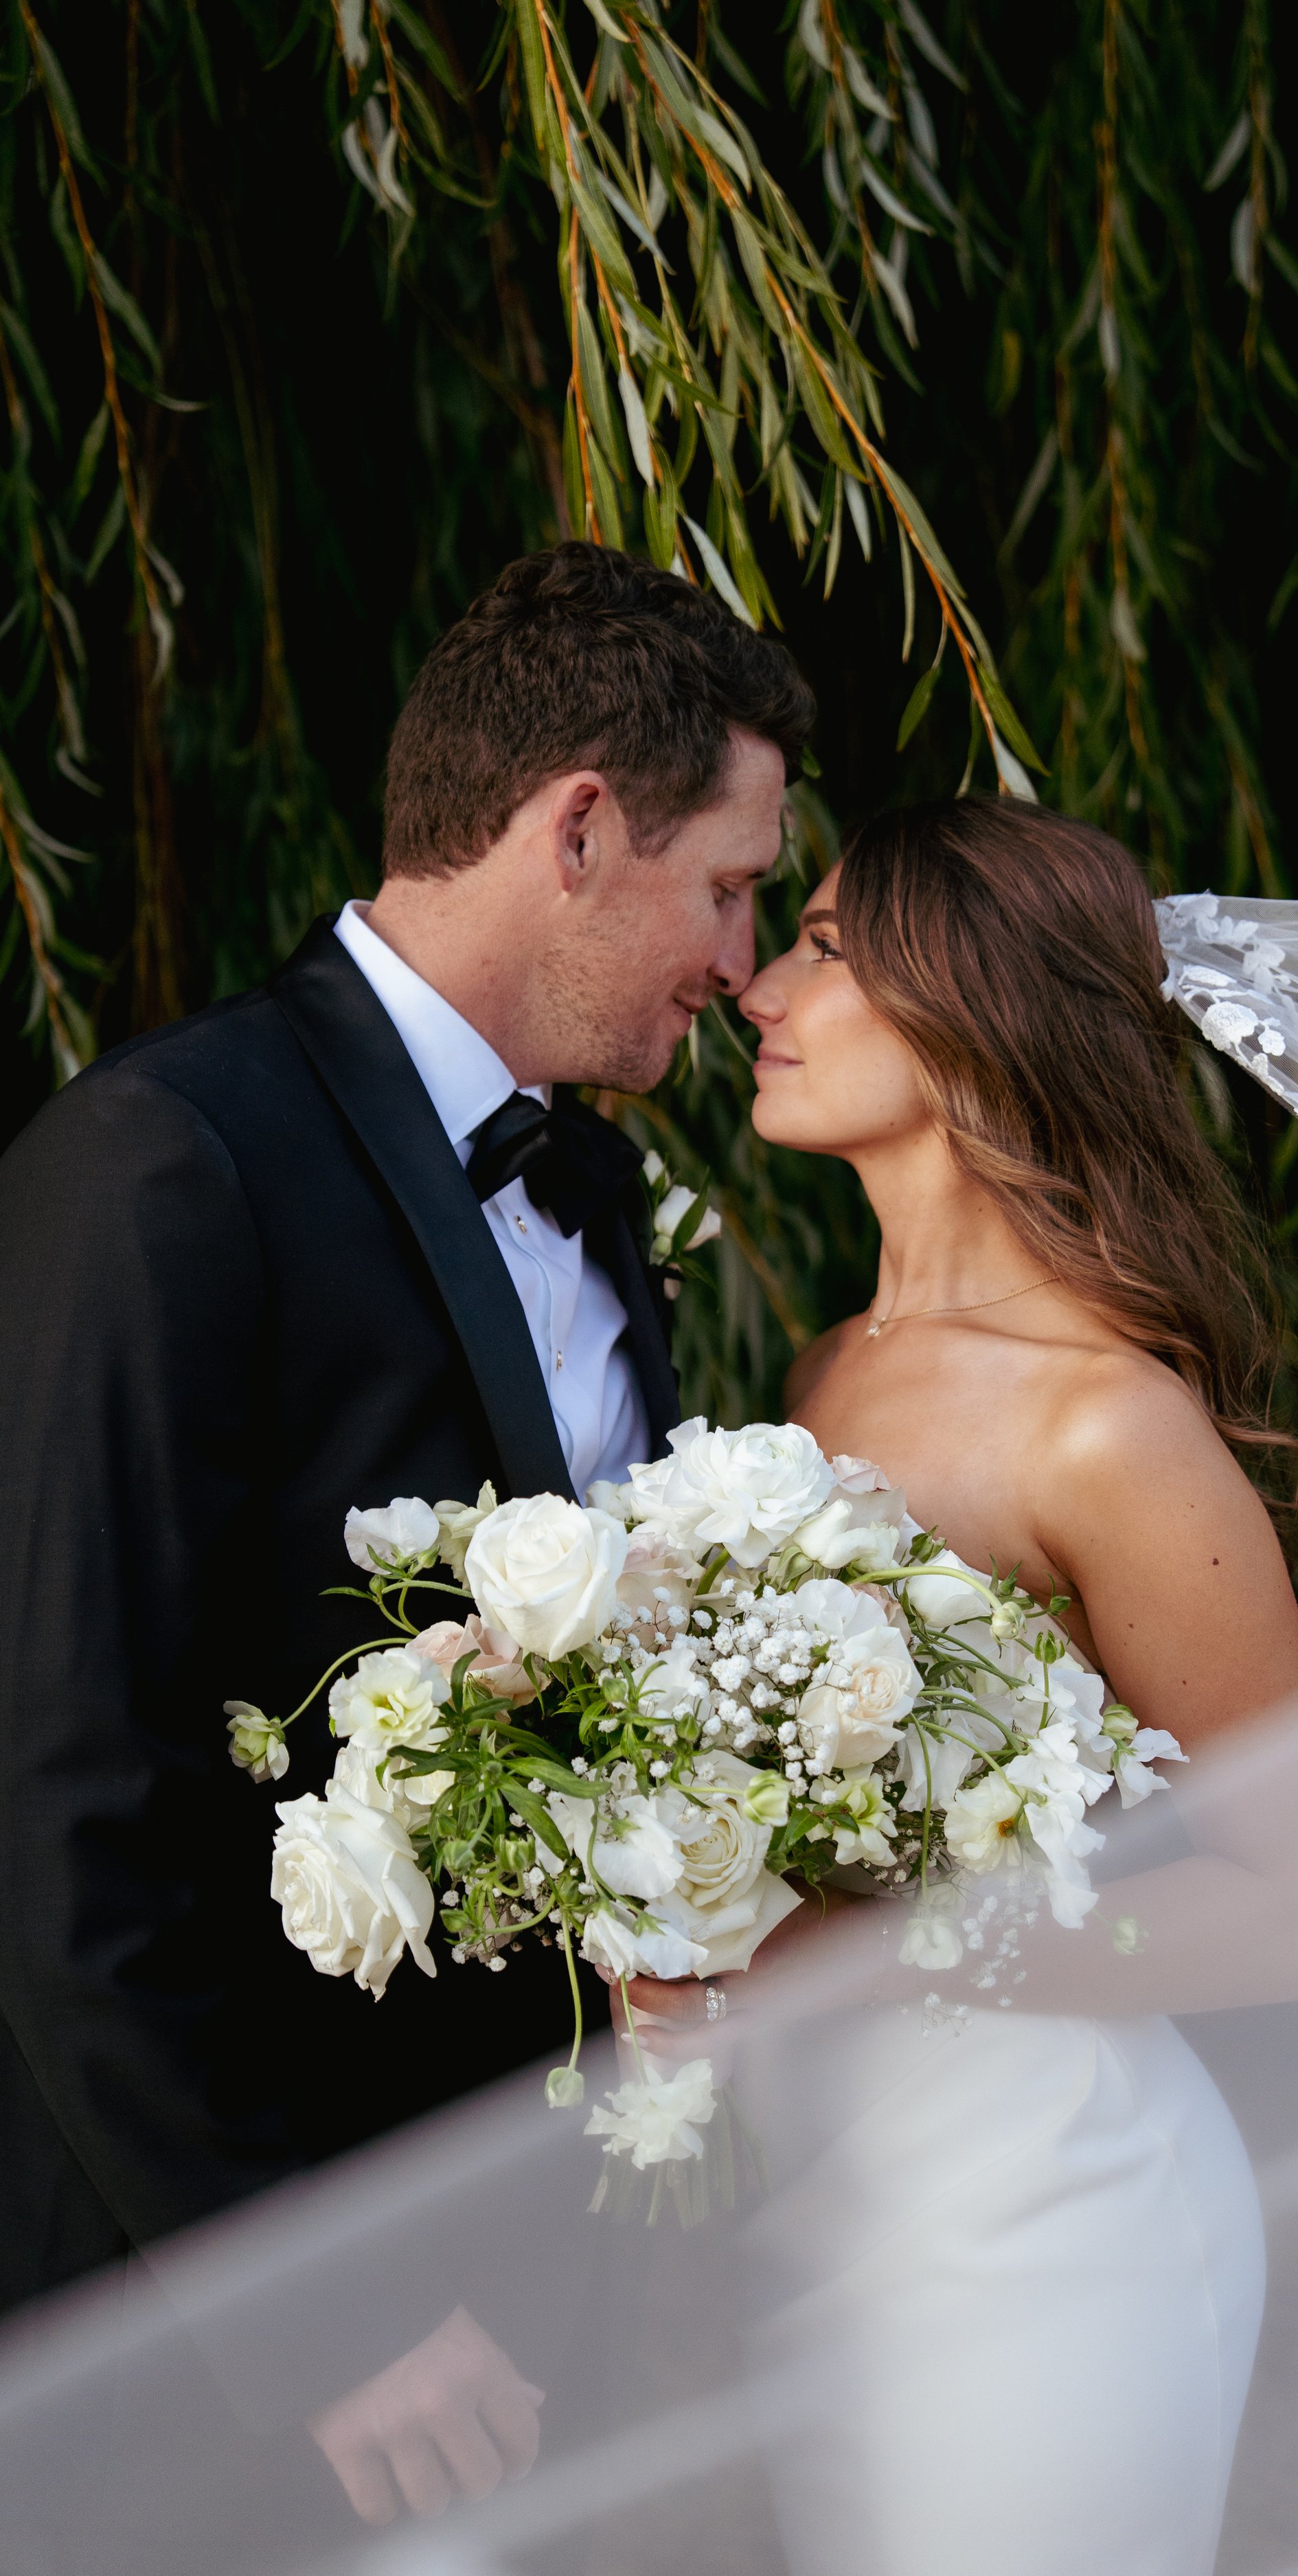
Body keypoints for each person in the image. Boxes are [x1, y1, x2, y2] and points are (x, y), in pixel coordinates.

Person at [0, 539, 812, 2345]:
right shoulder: (168, 1162)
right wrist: (318, 2329)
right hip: (211, 2321)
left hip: (525, 2254)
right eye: (733, 890)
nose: (743, 966)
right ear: (579, 828)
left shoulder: (592, 1188)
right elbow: (62, 1815)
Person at [609, 797, 1298, 2575]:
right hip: (828, 2200)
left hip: (1045, 2221)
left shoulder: (1108, 1430)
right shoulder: (826, 1369)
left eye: (827, 948)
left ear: (972, 1010)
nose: (757, 986)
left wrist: (866, 1962)